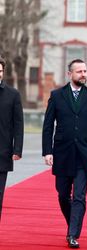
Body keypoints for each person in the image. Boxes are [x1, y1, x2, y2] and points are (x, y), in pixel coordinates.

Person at [42, 59, 87, 248]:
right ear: (70, 74)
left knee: (79, 196)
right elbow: (47, 126)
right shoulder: (57, 95)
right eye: (79, 71)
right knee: (63, 194)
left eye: (85, 71)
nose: (83, 74)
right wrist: (47, 151)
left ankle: (73, 234)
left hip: (84, 154)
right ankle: (73, 222)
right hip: (62, 153)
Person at [0, 57, 24, 221]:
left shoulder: (13, 95)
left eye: (0, 70)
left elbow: (18, 124)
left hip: (2, 152)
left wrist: (17, 149)